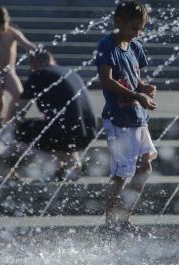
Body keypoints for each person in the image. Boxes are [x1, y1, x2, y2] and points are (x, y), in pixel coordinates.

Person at [95, 0, 158, 228]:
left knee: (145, 167)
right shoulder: (107, 45)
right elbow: (106, 81)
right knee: (121, 174)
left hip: (137, 117)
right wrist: (137, 95)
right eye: (134, 28)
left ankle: (124, 216)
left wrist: (144, 88)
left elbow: (135, 79)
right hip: (118, 119)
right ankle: (111, 220)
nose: (138, 33)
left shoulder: (135, 48)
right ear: (118, 22)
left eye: (141, 28)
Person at [14, 49, 97, 180]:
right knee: (61, 126)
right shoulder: (69, 72)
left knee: (21, 131)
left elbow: (19, 110)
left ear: (35, 63)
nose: (31, 69)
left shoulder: (39, 74)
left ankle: (54, 163)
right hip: (88, 131)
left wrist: (9, 127)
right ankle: (73, 164)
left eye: (31, 65)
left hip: (65, 131)